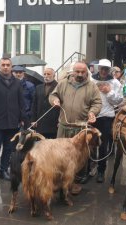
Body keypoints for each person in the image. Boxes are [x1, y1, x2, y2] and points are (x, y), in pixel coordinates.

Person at [49, 61, 102, 190]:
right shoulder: (63, 84)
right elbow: (53, 95)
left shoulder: (92, 87)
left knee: (79, 157)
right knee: (60, 154)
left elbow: (97, 103)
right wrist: (54, 100)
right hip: (64, 126)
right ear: (72, 71)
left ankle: (74, 182)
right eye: (77, 71)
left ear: (86, 72)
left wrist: (92, 112)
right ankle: (59, 180)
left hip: (80, 128)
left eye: (82, 72)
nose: (79, 74)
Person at [0, 58, 26, 186]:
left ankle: (3, 171)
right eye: (3, 65)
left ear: (11, 67)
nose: (6, 67)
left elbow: (21, 102)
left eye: (8, 65)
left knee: (9, 148)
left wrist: (22, 118)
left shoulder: (17, 83)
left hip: (13, 121)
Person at [92, 59, 123, 183]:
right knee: (89, 143)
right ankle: (90, 168)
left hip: (106, 116)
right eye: (102, 68)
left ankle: (101, 171)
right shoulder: (91, 80)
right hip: (92, 115)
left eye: (106, 69)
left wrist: (109, 92)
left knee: (103, 145)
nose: (104, 71)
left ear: (109, 70)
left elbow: (119, 100)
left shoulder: (115, 82)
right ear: (98, 68)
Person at [31, 68, 60, 139]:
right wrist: (33, 120)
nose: (46, 76)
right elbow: (34, 105)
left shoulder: (59, 87)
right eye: (44, 74)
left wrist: (60, 121)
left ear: (54, 75)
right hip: (40, 123)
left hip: (54, 123)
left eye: (48, 74)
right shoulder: (38, 87)